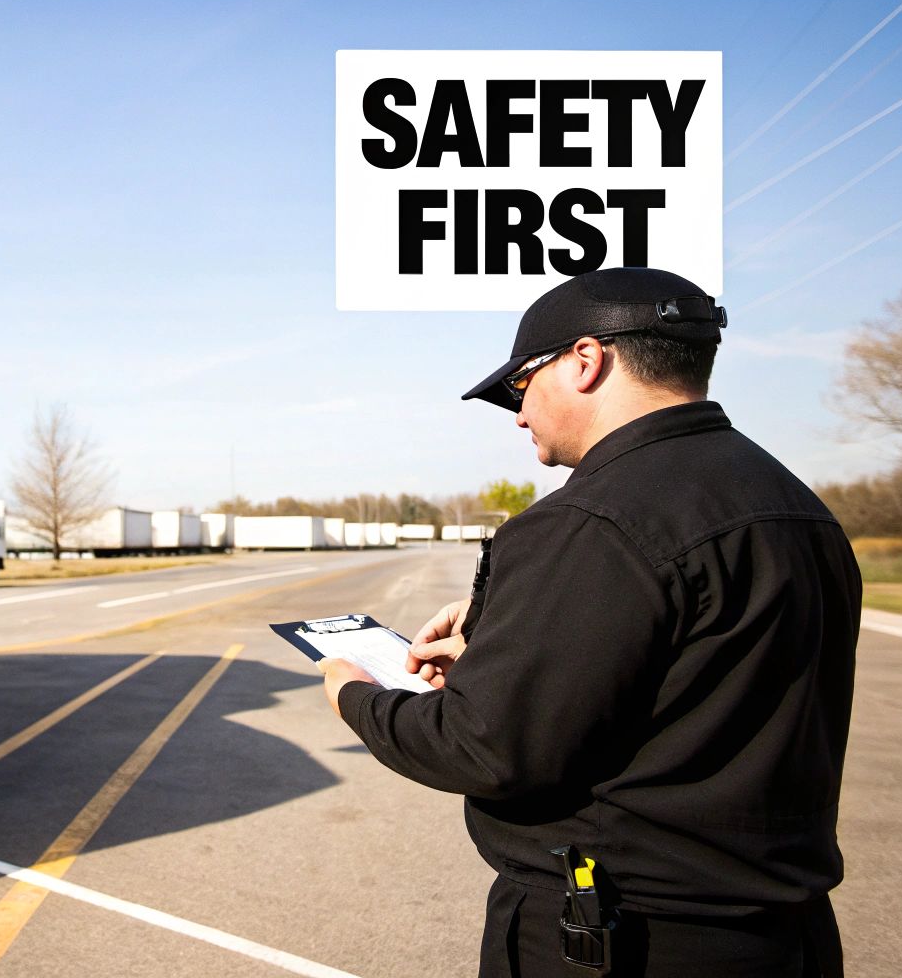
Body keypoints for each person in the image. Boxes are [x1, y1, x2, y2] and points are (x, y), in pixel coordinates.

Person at [319, 267, 859, 977]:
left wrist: (352, 692)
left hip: (626, 939)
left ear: (585, 360)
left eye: (519, 387)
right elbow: (682, 678)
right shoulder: (794, 504)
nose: (516, 415)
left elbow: (483, 749)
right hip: (786, 939)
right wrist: (500, 642)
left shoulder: (591, 521)